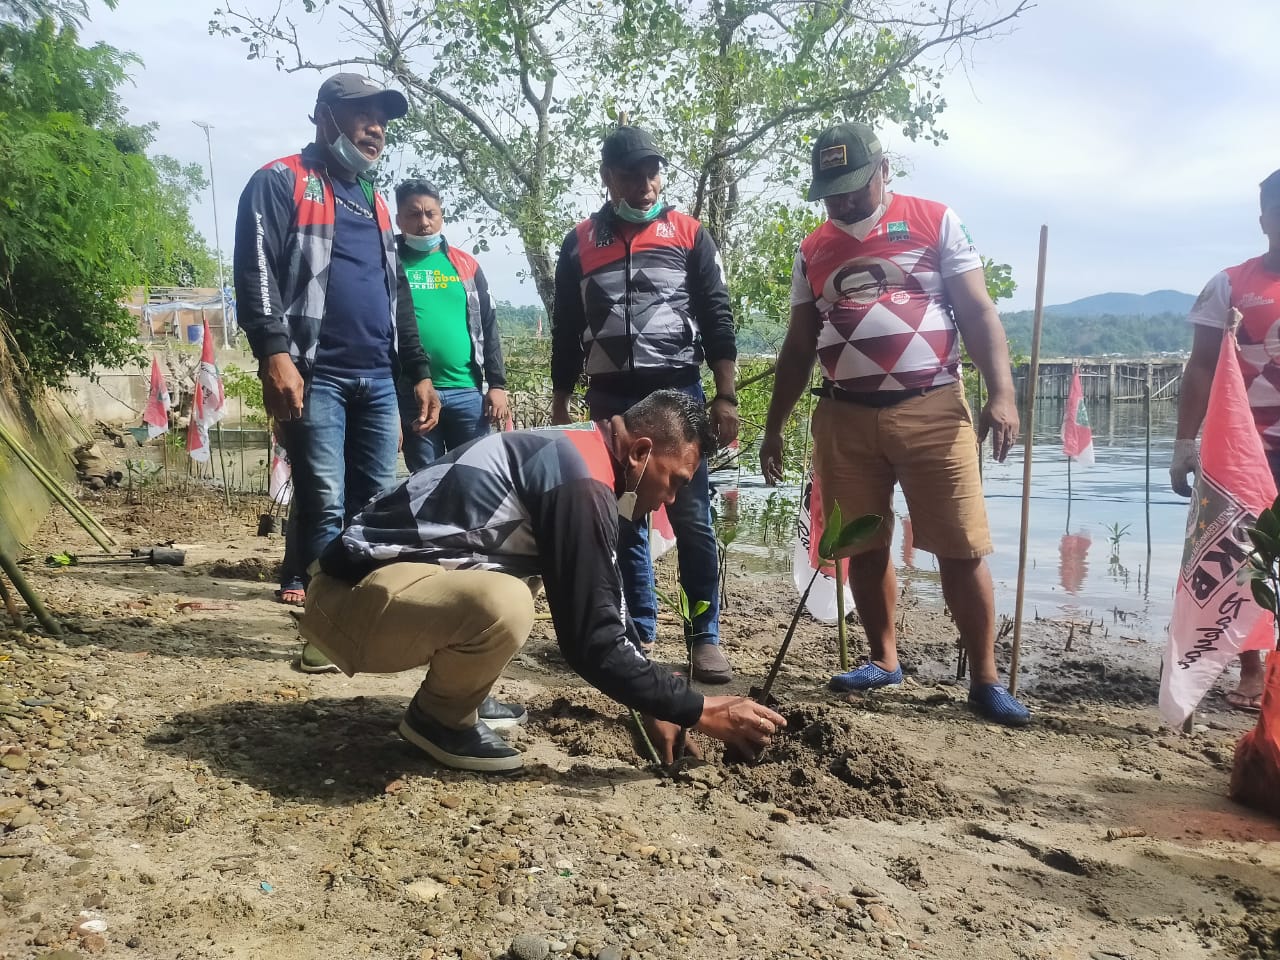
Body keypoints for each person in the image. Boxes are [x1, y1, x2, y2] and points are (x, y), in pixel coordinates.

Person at [300, 390, 787, 772]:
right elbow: (592, 642)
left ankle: (462, 692)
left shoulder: (582, 451)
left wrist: (657, 701)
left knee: (535, 577)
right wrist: (700, 709)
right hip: (347, 600)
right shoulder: (581, 483)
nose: (672, 500)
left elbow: (603, 600)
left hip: (375, 587)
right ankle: (438, 720)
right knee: (507, 602)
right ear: (641, 452)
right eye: (675, 480)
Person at [759, 121, 1031, 727]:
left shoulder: (935, 221)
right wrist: (774, 426)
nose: (841, 202)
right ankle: (883, 659)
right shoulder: (812, 249)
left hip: (933, 408)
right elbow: (798, 346)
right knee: (862, 542)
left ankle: (985, 679)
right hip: (844, 415)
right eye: (831, 193)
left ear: (884, 171)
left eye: (853, 188)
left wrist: (1003, 395)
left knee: (960, 545)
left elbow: (978, 311)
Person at [233, 73, 440, 670]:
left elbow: (396, 294)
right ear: (326, 116)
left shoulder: (374, 199)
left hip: (377, 377)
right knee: (323, 500)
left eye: (382, 120)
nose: (376, 129)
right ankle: (324, 631)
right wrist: (274, 352)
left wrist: (417, 371)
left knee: (372, 505)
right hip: (315, 372)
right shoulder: (281, 180)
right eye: (363, 115)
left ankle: (357, 622)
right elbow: (255, 269)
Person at [550, 126, 739, 684]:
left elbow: (717, 316)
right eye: (631, 174)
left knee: (692, 517)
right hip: (610, 396)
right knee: (624, 516)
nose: (644, 183)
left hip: (679, 392)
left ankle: (704, 636)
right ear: (607, 177)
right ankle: (638, 628)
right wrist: (561, 399)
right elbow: (566, 327)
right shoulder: (579, 242)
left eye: (652, 172)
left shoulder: (689, 233)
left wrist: (725, 394)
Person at [1170, 169, 1280, 713]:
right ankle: (1252, 668)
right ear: (1264, 220)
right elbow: (1201, 365)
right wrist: (1184, 444)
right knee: (1241, 559)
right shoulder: (1229, 284)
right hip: (1242, 450)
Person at [394, 179, 508, 470]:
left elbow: (488, 325)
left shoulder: (466, 265)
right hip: (412, 394)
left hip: (466, 391)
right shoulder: (387, 262)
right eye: (413, 214)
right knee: (427, 480)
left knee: (476, 477)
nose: (423, 222)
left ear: (441, 216)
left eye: (430, 213)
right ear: (398, 219)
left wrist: (497, 384)